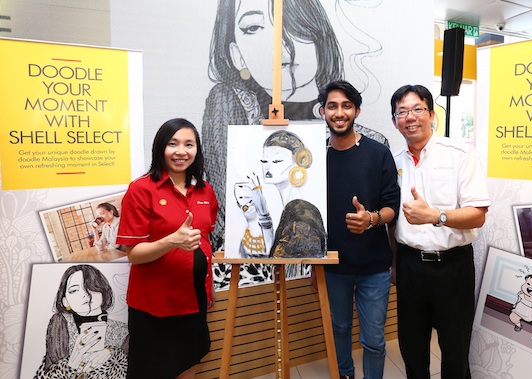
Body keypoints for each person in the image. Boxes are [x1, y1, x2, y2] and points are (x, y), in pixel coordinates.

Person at [201, 0, 387, 257]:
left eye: (293, 20)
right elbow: (229, 211)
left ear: (317, 33)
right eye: (253, 27)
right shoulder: (229, 108)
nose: (281, 42)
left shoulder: (371, 143)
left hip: (342, 262)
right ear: (236, 53)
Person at [388, 84, 490, 379]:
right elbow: (392, 221)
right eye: (402, 112)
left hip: (452, 268)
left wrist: (436, 216)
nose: (410, 117)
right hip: (409, 266)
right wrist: (394, 263)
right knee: (412, 347)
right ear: (394, 121)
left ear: (432, 115)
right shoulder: (393, 161)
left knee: (455, 349)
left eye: (417, 109)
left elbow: (478, 215)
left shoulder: (460, 154)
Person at [116, 118, 218, 379]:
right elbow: (134, 254)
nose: (181, 151)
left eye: (189, 144)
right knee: (153, 370)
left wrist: (209, 286)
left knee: (188, 363)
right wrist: (172, 241)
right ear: (161, 147)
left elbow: (205, 242)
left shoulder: (205, 191)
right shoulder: (141, 190)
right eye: (173, 144)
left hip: (194, 299)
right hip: (154, 304)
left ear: (197, 149)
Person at [316, 80, 400, 379]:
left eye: (346, 106)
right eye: (332, 106)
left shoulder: (378, 153)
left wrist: (371, 219)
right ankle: (345, 374)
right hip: (332, 265)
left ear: (357, 111)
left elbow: (392, 207)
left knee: (374, 340)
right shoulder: (314, 158)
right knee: (338, 328)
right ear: (323, 111)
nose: (339, 113)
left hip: (374, 266)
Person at [233, 129, 326, 259]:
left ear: (298, 163)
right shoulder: (287, 208)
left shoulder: (301, 213)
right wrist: (260, 215)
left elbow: (284, 262)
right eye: (264, 161)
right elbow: (271, 254)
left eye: (277, 161)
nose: (267, 167)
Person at [35, 264, 129, 379]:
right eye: (74, 290)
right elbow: (49, 372)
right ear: (65, 301)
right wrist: (71, 365)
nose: (85, 294)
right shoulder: (61, 323)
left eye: (91, 286)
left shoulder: (123, 331)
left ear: (103, 291)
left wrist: (112, 354)